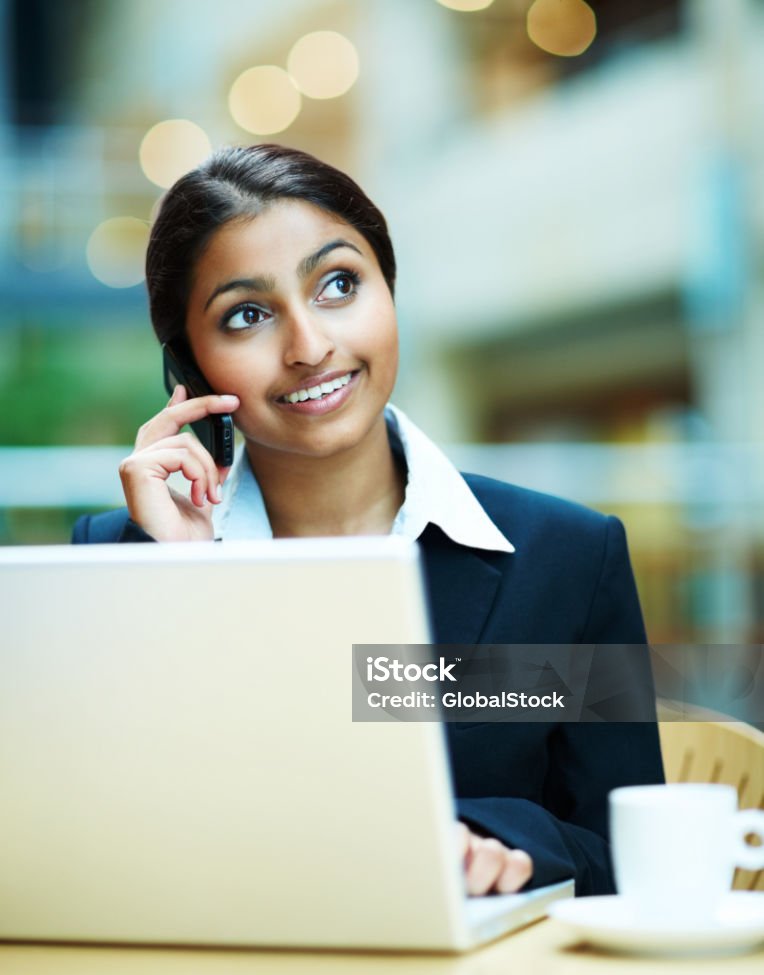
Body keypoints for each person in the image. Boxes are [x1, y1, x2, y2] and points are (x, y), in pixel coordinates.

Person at [72, 144, 664, 897]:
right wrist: (193, 586)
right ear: (188, 367)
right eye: (246, 314)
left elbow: (631, 860)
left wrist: (496, 842)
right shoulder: (121, 561)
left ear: (390, 292)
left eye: (339, 284)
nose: (310, 347)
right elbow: (99, 839)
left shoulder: (568, 560)